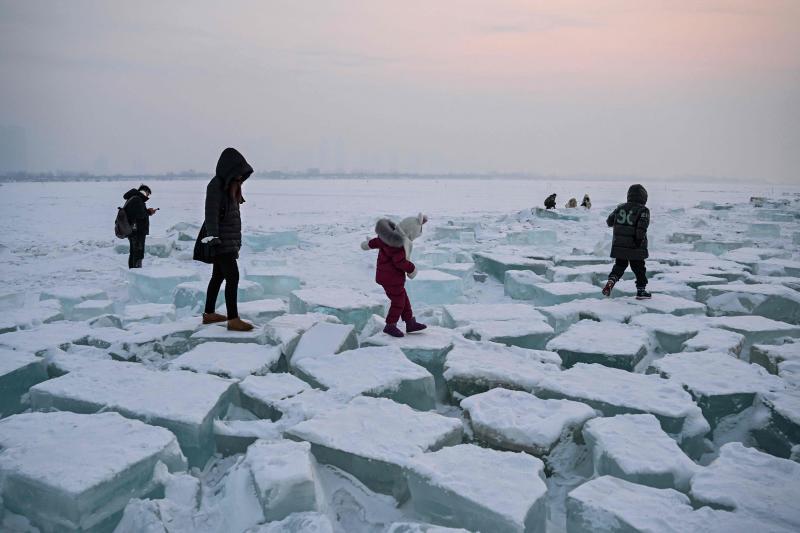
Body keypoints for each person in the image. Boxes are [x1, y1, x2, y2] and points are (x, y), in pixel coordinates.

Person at [200, 147, 255, 331]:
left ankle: (209, 314)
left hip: (228, 241)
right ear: (229, 169)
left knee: (218, 276)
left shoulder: (231, 187)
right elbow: (211, 214)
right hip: (221, 241)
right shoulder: (216, 186)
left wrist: (236, 242)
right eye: (238, 173)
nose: (240, 177)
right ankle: (233, 319)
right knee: (233, 277)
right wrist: (213, 238)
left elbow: (232, 219)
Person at [361, 213, 428, 338]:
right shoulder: (398, 245)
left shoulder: (388, 237)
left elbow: (376, 242)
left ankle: (410, 322)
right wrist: (412, 269)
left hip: (387, 277)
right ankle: (390, 325)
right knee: (398, 302)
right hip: (391, 279)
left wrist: (366, 244)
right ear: (410, 232)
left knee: (404, 299)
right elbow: (400, 262)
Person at [602, 184, 651, 299]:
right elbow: (642, 227)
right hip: (635, 246)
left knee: (619, 265)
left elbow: (609, 221)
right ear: (643, 197)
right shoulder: (643, 210)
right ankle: (641, 291)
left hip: (620, 245)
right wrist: (638, 241)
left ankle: (611, 280)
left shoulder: (620, 207)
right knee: (639, 268)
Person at [122, 184, 156, 268]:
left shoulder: (133, 198)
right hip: (137, 232)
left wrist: (147, 211)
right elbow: (140, 215)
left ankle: (132, 271)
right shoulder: (137, 199)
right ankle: (136, 271)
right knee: (138, 253)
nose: (147, 196)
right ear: (145, 192)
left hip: (133, 230)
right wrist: (149, 212)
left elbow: (136, 213)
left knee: (133, 252)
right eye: (148, 194)